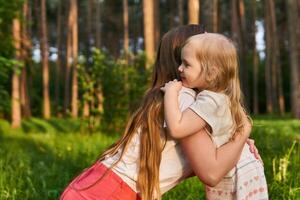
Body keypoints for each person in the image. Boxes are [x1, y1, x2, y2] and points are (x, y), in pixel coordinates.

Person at [60, 25, 260, 200]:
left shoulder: (175, 98)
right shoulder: (184, 100)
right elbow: (211, 172)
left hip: (99, 189)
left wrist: (235, 141)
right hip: (107, 193)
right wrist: (243, 131)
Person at [162, 33, 268, 200]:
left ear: (211, 73)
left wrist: (170, 92)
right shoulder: (220, 98)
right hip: (241, 169)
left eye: (187, 64)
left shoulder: (211, 101)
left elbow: (177, 128)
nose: (180, 68)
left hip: (236, 175)